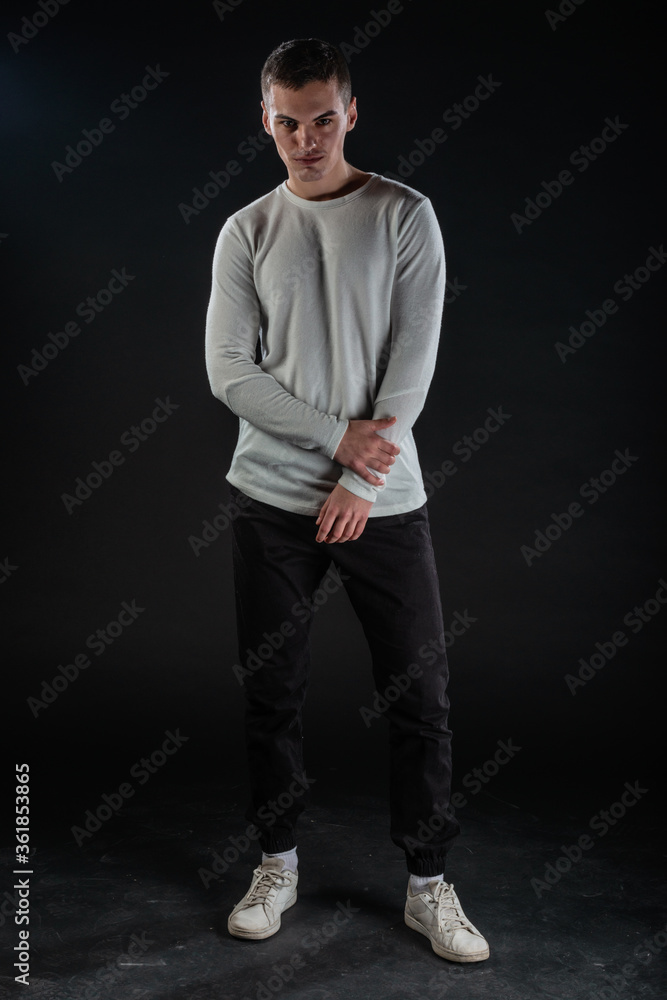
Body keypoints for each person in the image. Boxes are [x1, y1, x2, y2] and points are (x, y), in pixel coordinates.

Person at [205, 37, 489, 963]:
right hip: (268, 499)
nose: (304, 139)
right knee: (272, 693)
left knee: (422, 698)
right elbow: (227, 372)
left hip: (384, 499)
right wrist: (334, 445)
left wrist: (360, 480)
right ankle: (277, 862)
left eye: (321, 118)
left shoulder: (404, 214)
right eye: (286, 122)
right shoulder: (246, 230)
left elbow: (413, 361)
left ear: (350, 113)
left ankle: (427, 884)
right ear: (265, 121)